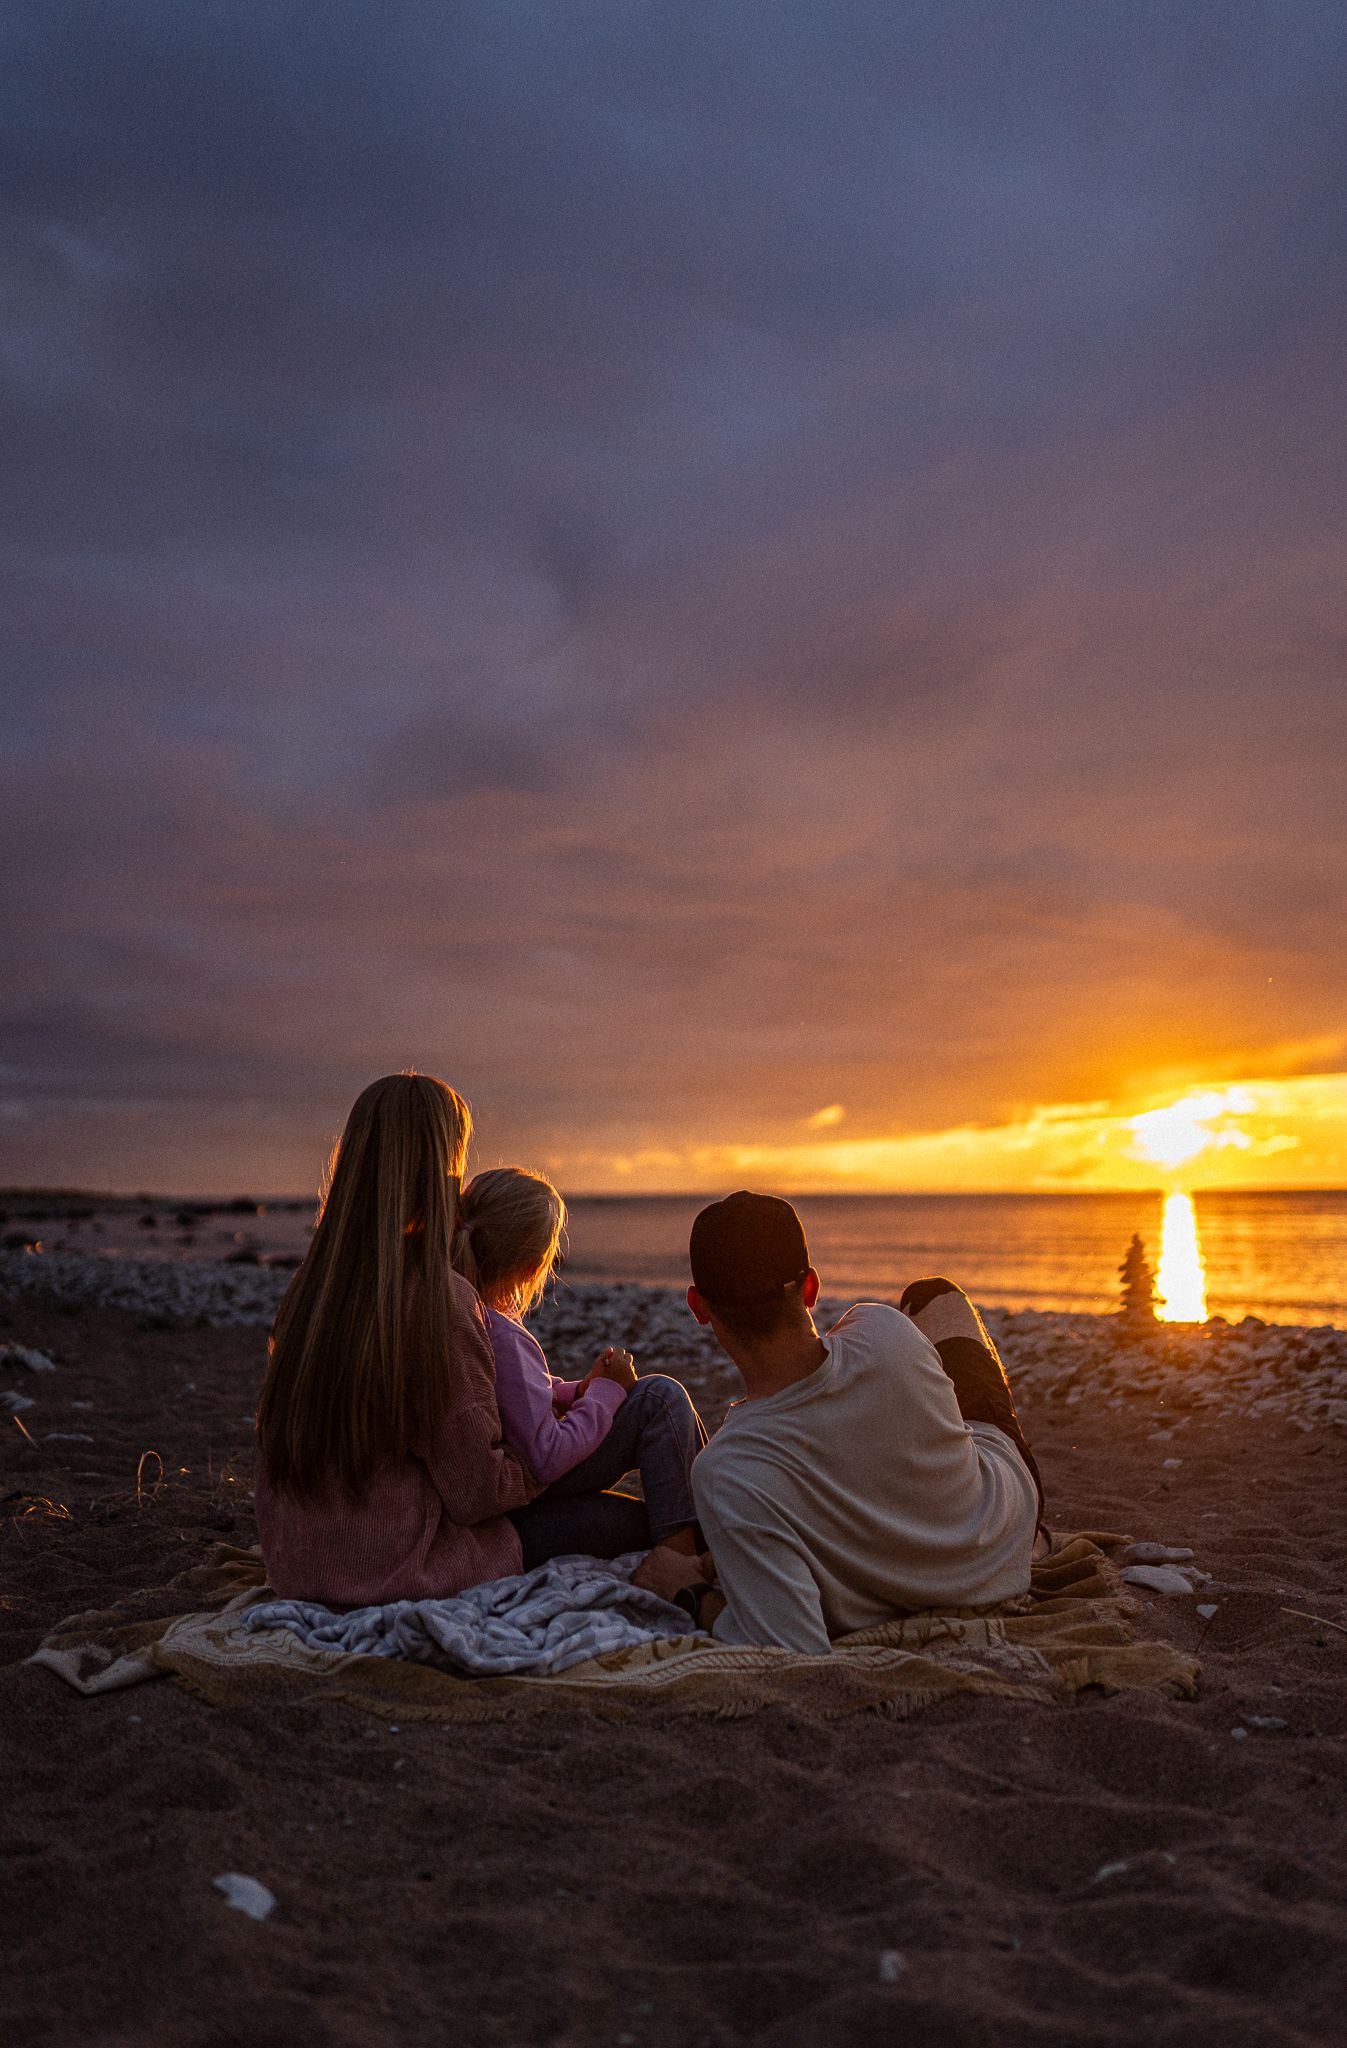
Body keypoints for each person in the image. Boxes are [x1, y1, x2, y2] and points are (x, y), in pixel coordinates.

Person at [634, 1192, 1044, 1653]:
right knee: (932, 1296)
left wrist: (683, 1593)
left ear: (699, 1307)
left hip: (951, 1579)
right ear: (810, 1288)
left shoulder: (727, 1471)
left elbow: (787, 1641)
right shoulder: (882, 1330)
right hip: (1008, 1526)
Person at [255, 1072, 541, 1605]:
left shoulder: (310, 1291)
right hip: (397, 1569)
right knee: (623, 1508)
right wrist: (542, 1459)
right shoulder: (437, 1300)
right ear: (439, 1171)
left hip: (299, 1566)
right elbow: (477, 1494)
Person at [450, 1166, 708, 1569]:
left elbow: (518, 1393)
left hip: (512, 1495)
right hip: (520, 1502)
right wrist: (606, 1395)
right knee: (659, 1397)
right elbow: (546, 1456)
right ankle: (684, 1562)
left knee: (658, 1504)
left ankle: (693, 1543)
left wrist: (579, 1391)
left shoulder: (471, 1314)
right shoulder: (502, 1336)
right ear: (532, 1265)